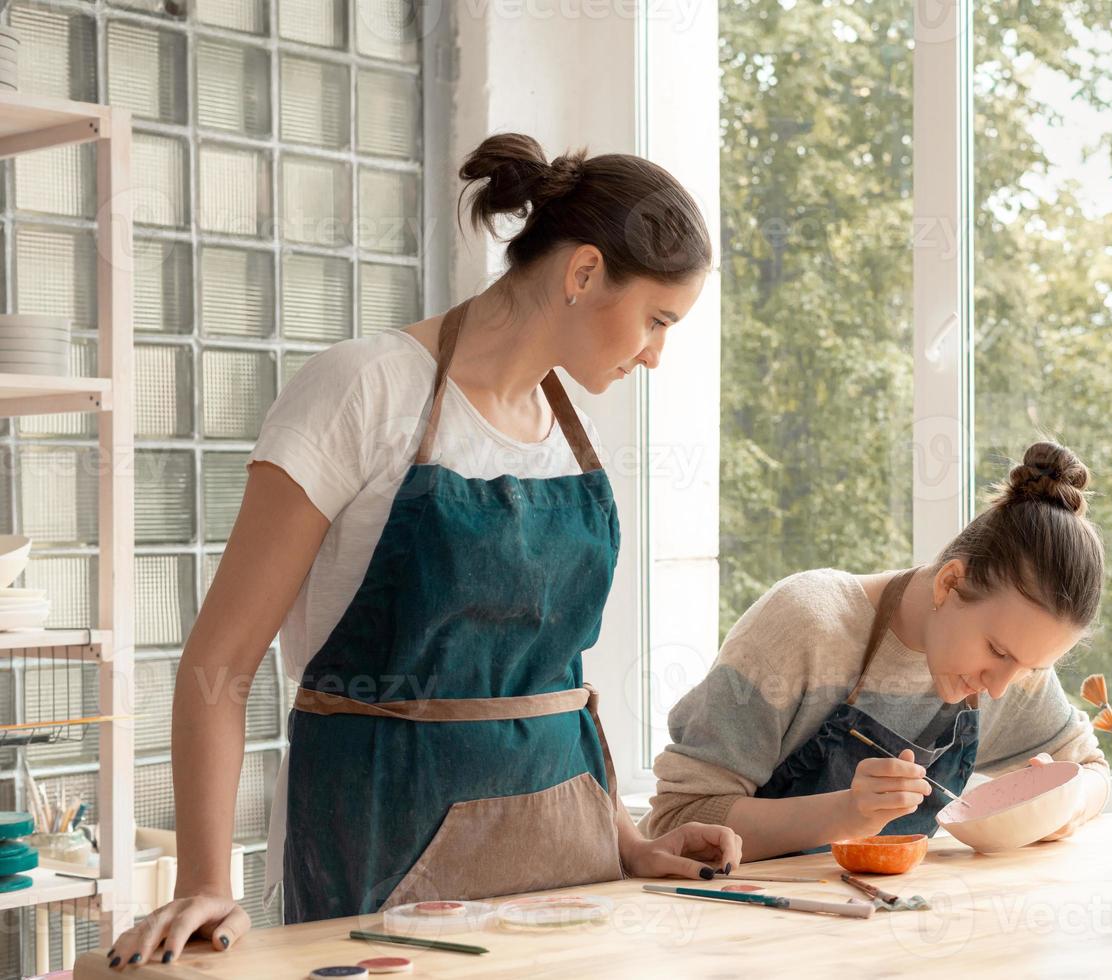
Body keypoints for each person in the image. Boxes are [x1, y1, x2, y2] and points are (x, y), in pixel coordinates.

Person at [107, 133, 740, 969]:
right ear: (584, 274)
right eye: (656, 321)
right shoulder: (362, 391)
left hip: (568, 884)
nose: (657, 355)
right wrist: (204, 880)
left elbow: (544, 689)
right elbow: (217, 665)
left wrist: (623, 840)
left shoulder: (568, 436)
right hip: (383, 855)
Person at [642, 442, 1111, 860]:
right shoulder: (807, 625)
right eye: (997, 652)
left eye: (1031, 668)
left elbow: (1092, 771)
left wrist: (1063, 802)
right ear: (950, 583)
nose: (1000, 686)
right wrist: (844, 813)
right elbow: (678, 819)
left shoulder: (1012, 669)